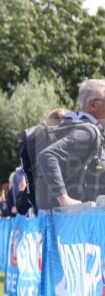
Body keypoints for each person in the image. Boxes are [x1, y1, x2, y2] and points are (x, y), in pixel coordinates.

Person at [36, 79, 105, 208]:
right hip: (76, 221)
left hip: (68, 218)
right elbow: (47, 156)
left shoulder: (76, 129)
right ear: (93, 104)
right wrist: (65, 200)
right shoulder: (89, 132)